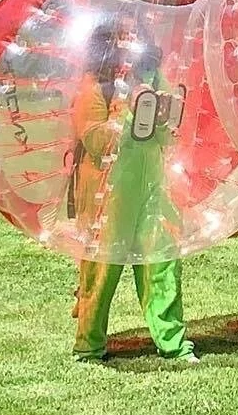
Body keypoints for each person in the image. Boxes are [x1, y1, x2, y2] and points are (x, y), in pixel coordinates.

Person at [69, 25, 196, 363]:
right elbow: (96, 141)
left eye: (133, 38)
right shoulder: (95, 87)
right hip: (107, 192)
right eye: (120, 40)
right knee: (102, 267)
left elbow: (171, 133)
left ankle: (174, 343)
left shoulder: (154, 79)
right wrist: (128, 110)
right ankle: (89, 345)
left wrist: (166, 118)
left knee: (162, 260)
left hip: (152, 186)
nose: (128, 46)